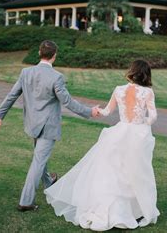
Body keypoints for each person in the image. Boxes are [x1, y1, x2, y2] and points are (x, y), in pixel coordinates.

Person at [45, 60, 160, 231]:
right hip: (136, 135)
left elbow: (107, 111)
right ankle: (133, 210)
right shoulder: (147, 92)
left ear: (132, 71)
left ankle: (110, 208)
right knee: (136, 171)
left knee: (114, 171)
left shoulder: (119, 90)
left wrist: (96, 110)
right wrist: (143, 121)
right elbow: (153, 117)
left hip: (119, 133)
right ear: (146, 74)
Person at [0, 40, 100, 212]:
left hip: (32, 124)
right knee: (38, 162)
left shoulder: (25, 72)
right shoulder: (56, 77)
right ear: (54, 56)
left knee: (39, 157)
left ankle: (49, 181)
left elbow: (11, 95)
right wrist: (90, 111)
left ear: (39, 54)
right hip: (47, 127)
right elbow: (68, 102)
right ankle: (26, 201)